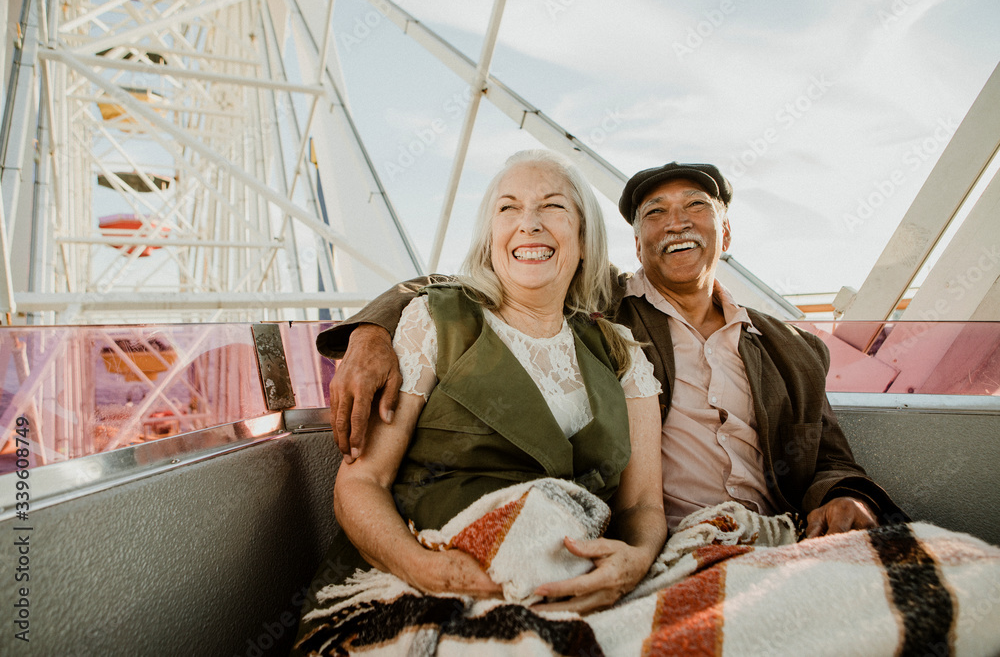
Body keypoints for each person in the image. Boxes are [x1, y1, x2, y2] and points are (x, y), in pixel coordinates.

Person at [318, 161, 905, 538]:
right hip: (673, 539)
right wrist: (370, 332)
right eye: (655, 213)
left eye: (696, 207)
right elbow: (476, 283)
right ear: (635, 241)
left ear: (726, 233)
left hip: (781, 532)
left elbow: (829, 457)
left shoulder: (792, 348)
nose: (676, 223)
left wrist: (845, 496)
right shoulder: (607, 315)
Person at [305, 150, 667, 628]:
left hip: (579, 586)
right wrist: (425, 569)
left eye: (553, 206)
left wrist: (636, 560)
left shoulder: (621, 353)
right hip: (428, 578)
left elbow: (642, 505)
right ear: (490, 236)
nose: (529, 224)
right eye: (508, 208)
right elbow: (360, 484)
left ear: (583, 237)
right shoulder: (436, 321)